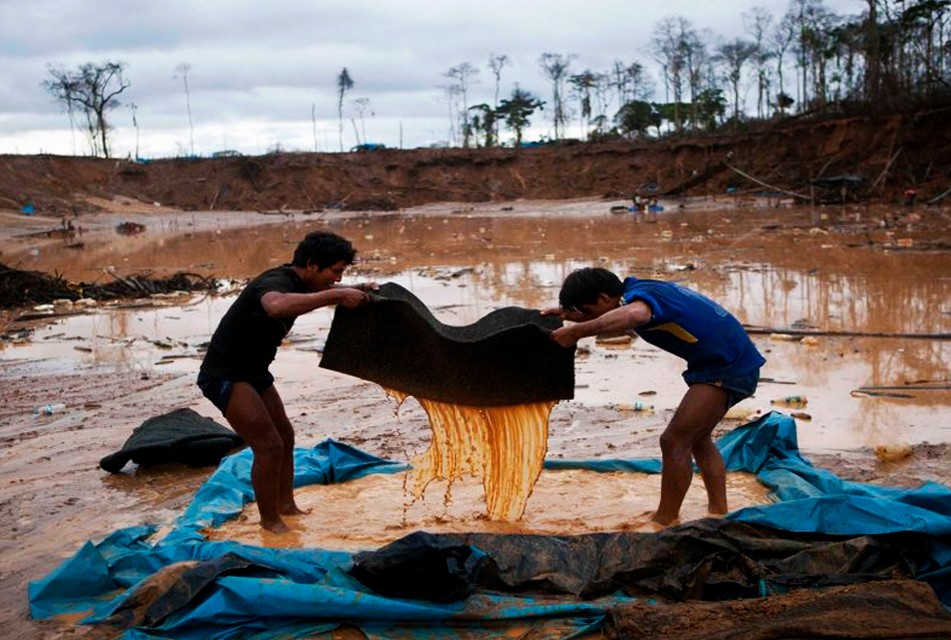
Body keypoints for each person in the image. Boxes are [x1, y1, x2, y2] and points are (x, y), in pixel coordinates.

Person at [543, 267, 765, 531]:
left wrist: (578, 331)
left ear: (604, 298)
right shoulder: (640, 289)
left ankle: (664, 521)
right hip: (727, 363)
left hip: (728, 367)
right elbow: (623, 312)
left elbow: (636, 315)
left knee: (674, 441)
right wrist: (571, 316)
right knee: (698, 440)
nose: (588, 318)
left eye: (589, 311)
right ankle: (719, 513)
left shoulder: (639, 302)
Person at [197, 231, 375, 533]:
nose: (336, 279)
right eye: (334, 272)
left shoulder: (302, 283)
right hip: (225, 373)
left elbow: (311, 296)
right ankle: (271, 524)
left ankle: (286, 506)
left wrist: (353, 290)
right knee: (268, 446)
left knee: (285, 437)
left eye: (342, 274)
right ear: (310, 265)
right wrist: (335, 295)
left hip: (254, 372)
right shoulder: (275, 282)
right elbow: (277, 306)